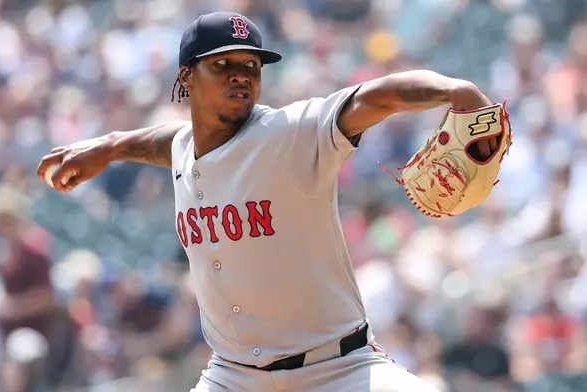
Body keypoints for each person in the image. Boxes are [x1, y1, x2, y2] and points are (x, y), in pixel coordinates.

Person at [37, 11, 500, 392]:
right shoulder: (183, 149)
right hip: (233, 377)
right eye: (224, 65)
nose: (242, 75)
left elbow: (382, 95)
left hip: (340, 370)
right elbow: (172, 141)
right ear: (187, 76)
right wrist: (115, 144)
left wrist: (455, 90)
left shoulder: (290, 134)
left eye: (252, 65)